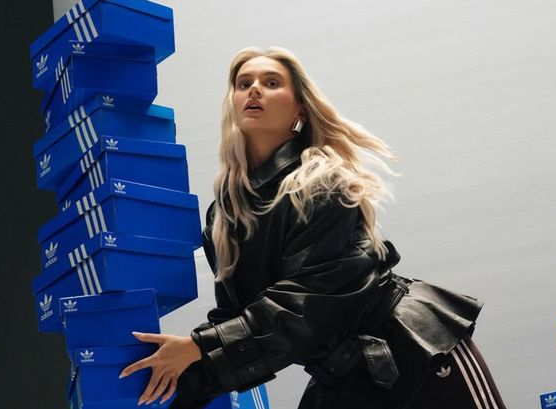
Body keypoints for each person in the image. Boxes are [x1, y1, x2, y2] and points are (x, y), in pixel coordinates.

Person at [119, 46, 507, 409]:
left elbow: (307, 303)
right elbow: (235, 318)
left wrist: (198, 346)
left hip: (419, 351)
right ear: (233, 105)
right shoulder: (225, 214)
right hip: (343, 375)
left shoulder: (321, 182)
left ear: (300, 109)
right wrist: (158, 386)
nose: (254, 89)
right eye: (243, 83)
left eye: (272, 82)